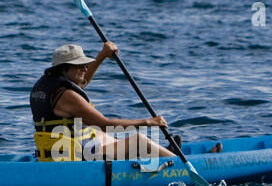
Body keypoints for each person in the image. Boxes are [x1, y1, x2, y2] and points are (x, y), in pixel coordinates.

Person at [31, 42, 175, 162]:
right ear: (64, 68)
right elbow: (106, 124)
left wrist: (102, 55)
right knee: (139, 141)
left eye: (85, 64)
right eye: (79, 66)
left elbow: (81, 82)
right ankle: (178, 165)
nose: (85, 68)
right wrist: (149, 122)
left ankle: (160, 154)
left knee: (99, 134)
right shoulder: (67, 96)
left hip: (59, 149)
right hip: (70, 159)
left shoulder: (49, 84)